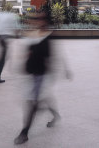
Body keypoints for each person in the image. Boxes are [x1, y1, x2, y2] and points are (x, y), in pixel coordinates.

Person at [14, 11, 70, 145]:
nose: (36, 21)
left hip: (42, 74)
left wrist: (64, 70)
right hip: (32, 73)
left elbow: (55, 56)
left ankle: (24, 132)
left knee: (33, 102)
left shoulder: (48, 36)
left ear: (45, 21)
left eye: (39, 19)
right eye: (35, 19)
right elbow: (28, 50)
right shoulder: (34, 34)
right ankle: (55, 115)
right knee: (42, 98)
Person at [0, 7, 19, 83]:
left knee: (3, 57)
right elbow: (14, 27)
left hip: (1, 38)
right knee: (2, 59)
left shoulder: (0, 16)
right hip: (3, 39)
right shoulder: (10, 16)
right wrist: (16, 34)